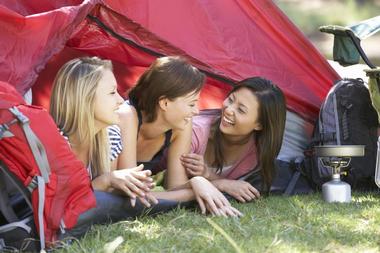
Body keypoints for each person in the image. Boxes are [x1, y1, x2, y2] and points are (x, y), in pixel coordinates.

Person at [49, 57, 176, 239]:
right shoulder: (57, 145)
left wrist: (127, 185)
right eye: (111, 93)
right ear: (85, 99)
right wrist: (106, 180)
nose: (120, 100)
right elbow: (63, 207)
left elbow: (107, 199)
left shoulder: (110, 137)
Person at [115, 56, 242, 217]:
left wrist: (197, 182)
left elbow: (174, 187)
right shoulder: (127, 117)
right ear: (165, 103)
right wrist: (198, 188)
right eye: (191, 104)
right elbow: (132, 196)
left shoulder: (180, 126)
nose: (196, 111)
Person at [180, 77, 286, 202]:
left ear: (259, 124)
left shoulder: (256, 152)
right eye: (230, 100)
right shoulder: (195, 130)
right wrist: (221, 184)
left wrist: (209, 175)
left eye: (241, 110)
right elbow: (172, 190)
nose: (229, 110)